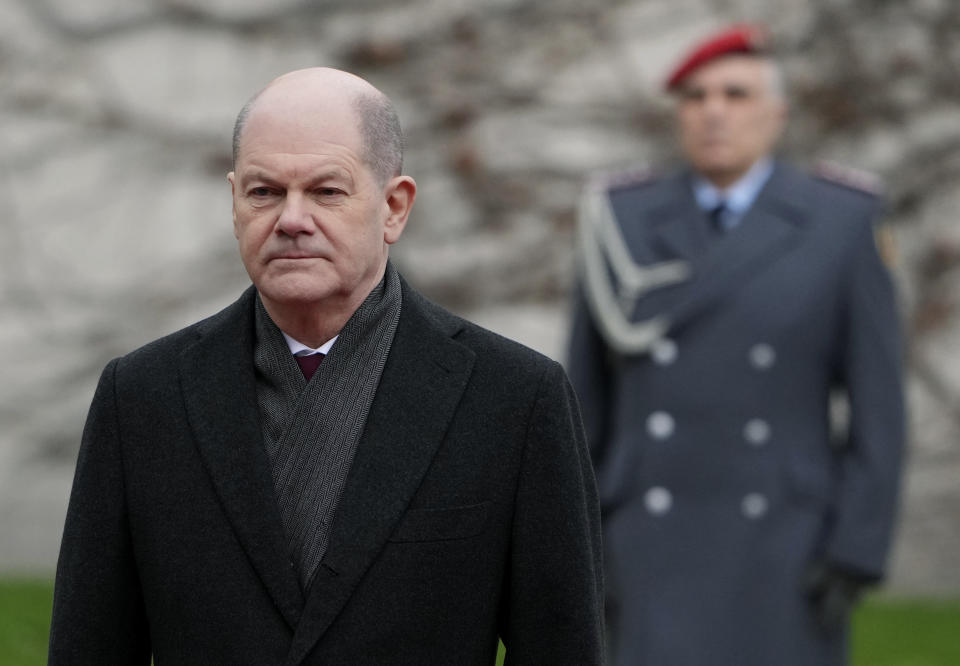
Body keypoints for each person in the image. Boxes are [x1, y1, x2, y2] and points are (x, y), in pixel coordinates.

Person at [49, 67, 603, 665]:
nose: (291, 219)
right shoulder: (141, 398)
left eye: (326, 191)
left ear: (394, 207)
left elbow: (561, 647)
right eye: (264, 192)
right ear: (234, 202)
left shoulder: (515, 399)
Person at [567, 25, 904, 666]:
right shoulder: (620, 217)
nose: (714, 111)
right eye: (695, 97)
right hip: (642, 540)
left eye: (736, 94)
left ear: (777, 113)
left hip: (787, 543)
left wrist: (858, 545)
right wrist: (575, 538)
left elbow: (877, 404)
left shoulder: (841, 221)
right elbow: (583, 400)